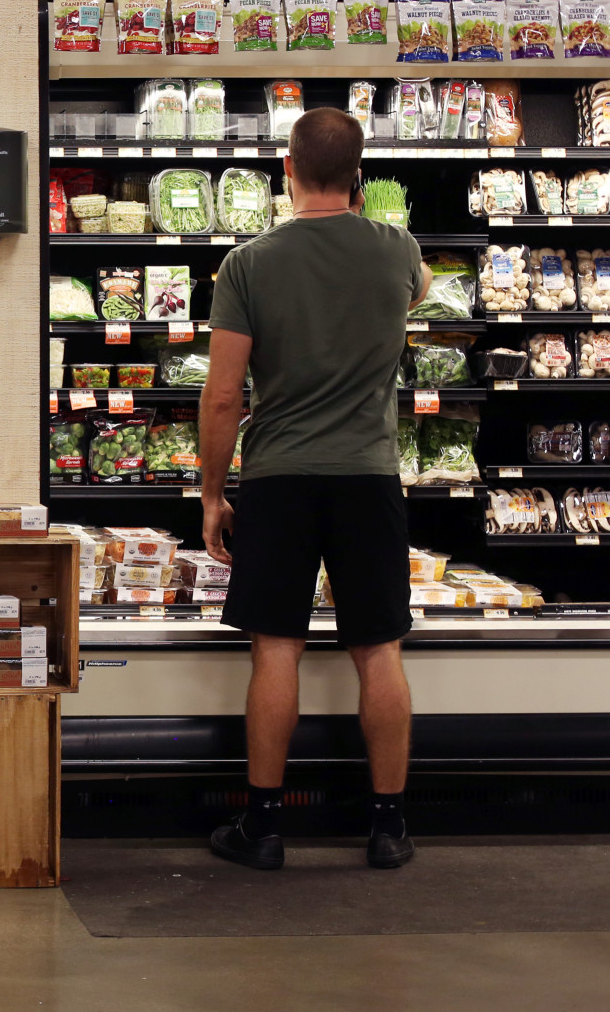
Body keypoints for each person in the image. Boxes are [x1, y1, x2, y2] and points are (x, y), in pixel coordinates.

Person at [199, 107, 432, 872]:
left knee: (276, 648)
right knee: (378, 649)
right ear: (358, 178)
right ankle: (388, 826)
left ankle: (262, 828)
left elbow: (223, 395)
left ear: (285, 171)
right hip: (368, 475)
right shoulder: (396, 250)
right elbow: (420, 290)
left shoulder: (248, 263)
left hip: (279, 477)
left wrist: (211, 493)